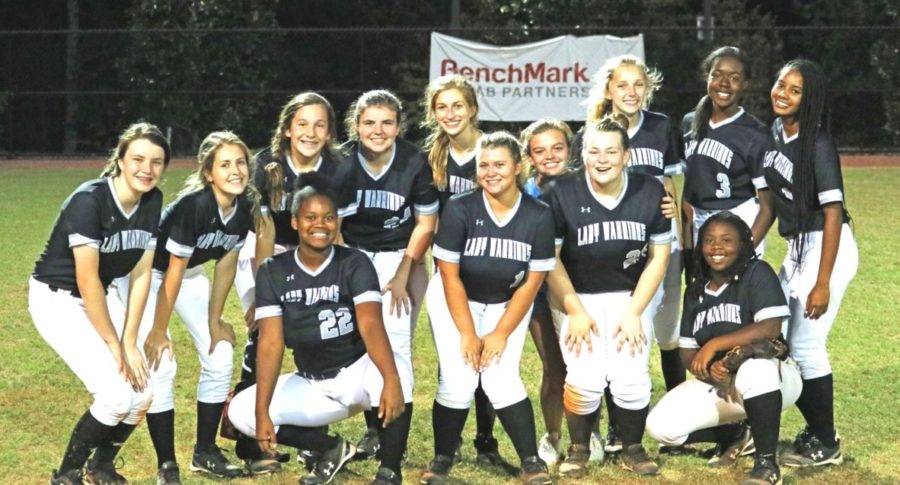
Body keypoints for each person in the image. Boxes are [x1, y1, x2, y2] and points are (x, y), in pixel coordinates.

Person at [227, 172, 412, 485]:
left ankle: (389, 471)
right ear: (296, 222)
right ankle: (331, 449)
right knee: (241, 411)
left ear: (337, 221)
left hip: (358, 374)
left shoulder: (354, 262)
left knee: (398, 370)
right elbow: (271, 343)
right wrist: (262, 413)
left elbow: (370, 323)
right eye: (310, 217)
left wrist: (391, 380)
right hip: (314, 385)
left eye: (328, 217)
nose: (321, 224)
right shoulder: (274, 270)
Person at [30, 122, 169, 484]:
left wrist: (131, 338)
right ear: (120, 161)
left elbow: (141, 274)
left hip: (100, 297)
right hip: (57, 299)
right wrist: (115, 343)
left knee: (143, 394)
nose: (147, 169)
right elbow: (86, 278)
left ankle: (101, 466)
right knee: (115, 395)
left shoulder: (153, 200)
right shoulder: (88, 200)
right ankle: (66, 475)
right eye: (138, 159)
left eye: (156, 162)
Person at [116, 131, 258, 482]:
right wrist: (159, 331)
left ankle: (205, 451)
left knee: (220, 352)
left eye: (240, 162)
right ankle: (167, 463)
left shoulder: (244, 207)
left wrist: (214, 320)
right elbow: (170, 273)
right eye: (225, 164)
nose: (236, 171)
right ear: (209, 173)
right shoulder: (194, 206)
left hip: (188, 275)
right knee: (161, 363)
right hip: (145, 276)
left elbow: (226, 262)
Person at [421, 132, 554, 485]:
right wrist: (467, 333)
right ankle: (442, 457)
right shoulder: (460, 207)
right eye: (483, 165)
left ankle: (531, 461)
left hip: (509, 301)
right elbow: (449, 275)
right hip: (455, 297)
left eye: (499, 164)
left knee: (500, 376)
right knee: (459, 378)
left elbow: (533, 282)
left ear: (518, 166)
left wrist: (499, 333)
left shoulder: (539, 215)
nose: (490, 172)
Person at [543, 116, 671, 477]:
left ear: (626, 155)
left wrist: (634, 312)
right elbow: (550, 259)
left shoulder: (650, 190)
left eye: (611, 151)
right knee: (584, 374)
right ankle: (579, 447)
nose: (602, 159)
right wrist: (574, 309)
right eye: (594, 151)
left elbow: (659, 257)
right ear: (581, 154)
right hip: (575, 292)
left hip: (632, 292)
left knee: (630, 373)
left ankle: (632, 446)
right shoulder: (561, 191)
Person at [575, 54, 687, 454]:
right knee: (616, 334)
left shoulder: (660, 126)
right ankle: (616, 431)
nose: (631, 92)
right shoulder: (593, 132)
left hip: (658, 241)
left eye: (638, 84)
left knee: (667, 333)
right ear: (608, 90)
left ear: (648, 89)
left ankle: (680, 423)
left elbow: (670, 181)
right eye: (622, 85)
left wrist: (676, 216)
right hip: (614, 242)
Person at [646, 212, 802, 485]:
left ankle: (766, 465)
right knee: (660, 427)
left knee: (754, 369)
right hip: (722, 385)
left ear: (743, 244)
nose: (716, 247)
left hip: (775, 379)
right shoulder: (696, 290)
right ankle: (735, 434)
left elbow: (770, 328)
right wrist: (710, 371)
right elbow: (687, 350)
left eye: (727, 240)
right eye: (708, 240)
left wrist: (717, 345)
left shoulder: (757, 272)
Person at [230, 92, 342, 469]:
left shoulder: (339, 167)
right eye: (303, 123)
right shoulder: (267, 165)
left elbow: (336, 233)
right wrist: (265, 293)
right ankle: (250, 443)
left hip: (317, 259)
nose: (310, 132)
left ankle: (312, 439)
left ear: (329, 132)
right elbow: (262, 232)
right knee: (262, 338)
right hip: (268, 256)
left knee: (316, 341)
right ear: (288, 128)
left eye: (319, 124)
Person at [761, 59, 858, 467]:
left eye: (795, 89)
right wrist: (746, 251)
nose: (783, 91)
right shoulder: (776, 133)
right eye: (781, 82)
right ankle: (817, 428)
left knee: (805, 343)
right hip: (798, 247)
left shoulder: (817, 143)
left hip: (827, 247)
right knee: (780, 338)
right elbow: (769, 205)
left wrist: (822, 282)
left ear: (809, 99)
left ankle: (827, 442)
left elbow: (833, 213)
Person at [332, 89, 439, 457]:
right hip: (353, 252)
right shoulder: (342, 159)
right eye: (369, 123)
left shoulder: (414, 161)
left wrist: (402, 272)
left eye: (387, 123)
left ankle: (394, 440)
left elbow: (426, 222)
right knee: (361, 343)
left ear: (398, 127)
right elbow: (333, 222)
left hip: (400, 254)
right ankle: (375, 430)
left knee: (395, 346)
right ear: (357, 125)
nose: (378, 130)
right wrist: (345, 265)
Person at [422, 74, 509, 468]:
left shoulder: (491, 150)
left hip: (493, 263)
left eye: (458, 105)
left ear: (473, 109)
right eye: (442, 107)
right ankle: (451, 440)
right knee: (454, 353)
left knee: (487, 353)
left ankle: (486, 439)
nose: (451, 113)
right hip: (452, 266)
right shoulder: (433, 156)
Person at [681, 46, 774, 261]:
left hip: (739, 220)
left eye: (734, 77)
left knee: (734, 293)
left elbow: (768, 208)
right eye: (717, 75)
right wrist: (687, 244)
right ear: (707, 78)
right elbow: (688, 191)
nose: (724, 84)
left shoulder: (756, 134)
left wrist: (746, 249)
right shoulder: (689, 123)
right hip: (700, 223)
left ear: (745, 84)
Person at [518, 118, 573, 466]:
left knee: (586, 370)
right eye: (540, 150)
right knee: (555, 368)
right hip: (537, 293)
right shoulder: (521, 193)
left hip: (579, 292)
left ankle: (588, 435)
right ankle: (552, 435)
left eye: (558, 148)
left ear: (570, 149)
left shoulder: (588, 185)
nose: (550, 156)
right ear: (529, 156)